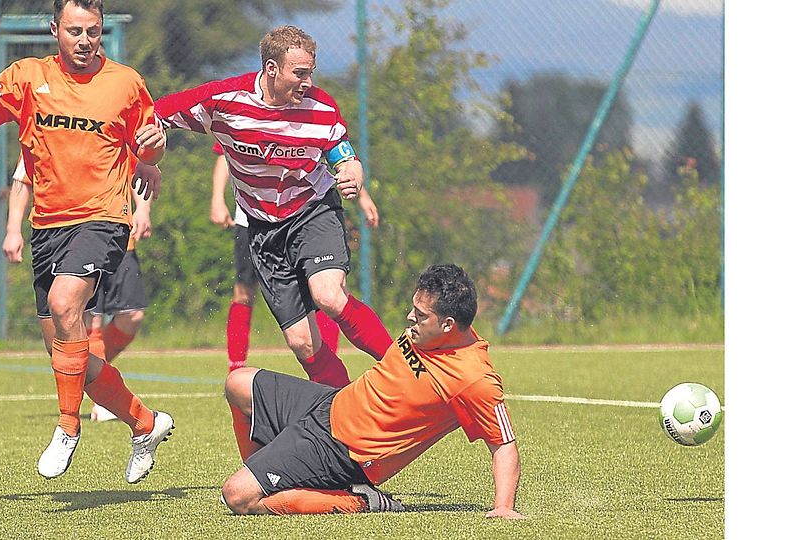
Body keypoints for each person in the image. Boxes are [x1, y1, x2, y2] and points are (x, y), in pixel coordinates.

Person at [0, 0, 172, 484]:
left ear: (102, 32)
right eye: (75, 31)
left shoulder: (125, 82)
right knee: (70, 355)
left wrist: (153, 149)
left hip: (103, 218)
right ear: (55, 29)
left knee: (65, 302)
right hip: (47, 226)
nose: (84, 40)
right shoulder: (24, 76)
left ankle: (67, 427)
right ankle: (145, 422)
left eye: (93, 32)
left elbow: (151, 145)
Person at [156, 25, 392, 389]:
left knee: (328, 295)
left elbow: (344, 154)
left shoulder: (321, 106)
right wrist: (145, 158)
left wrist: (352, 171)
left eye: (310, 72)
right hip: (263, 228)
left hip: (313, 210)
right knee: (301, 341)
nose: (307, 81)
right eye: (299, 73)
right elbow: (155, 114)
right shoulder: (224, 100)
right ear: (271, 69)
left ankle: (403, 370)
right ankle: (343, 405)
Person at [219, 264, 524, 518]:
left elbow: (503, 443)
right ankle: (264, 472)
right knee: (238, 384)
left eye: (420, 314)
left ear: (447, 325)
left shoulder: (474, 378)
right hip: (332, 403)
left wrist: (503, 507)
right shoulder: (426, 335)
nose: (409, 318)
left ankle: (360, 500)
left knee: (237, 496)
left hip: (344, 451)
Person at [5, 151, 155, 423]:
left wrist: (142, 210)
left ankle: (96, 385)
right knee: (80, 326)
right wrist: (13, 229)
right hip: (63, 238)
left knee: (131, 316)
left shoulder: (106, 114)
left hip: (112, 231)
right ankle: (96, 402)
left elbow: (138, 166)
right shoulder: (42, 119)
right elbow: (22, 177)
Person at [209, 145, 380, 373]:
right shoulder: (237, 112)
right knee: (245, 294)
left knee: (327, 294)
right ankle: (236, 368)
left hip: (307, 216)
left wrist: (362, 195)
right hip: (254, 221)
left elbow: (336, 154)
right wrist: (217, 199)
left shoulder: (314, 111)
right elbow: (224, 150)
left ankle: (394, 366)